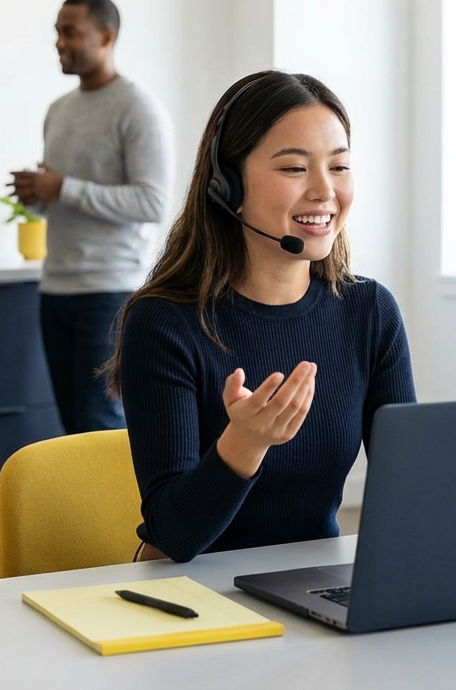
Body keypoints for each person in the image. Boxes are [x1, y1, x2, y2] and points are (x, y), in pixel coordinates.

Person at [103, 70, 416, 563]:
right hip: (194, 598)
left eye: (339, 167)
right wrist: (244, 445)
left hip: (311, 587)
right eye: (294, 169)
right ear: (228, 186)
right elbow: (174, 534)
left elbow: (409, 490)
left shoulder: (370, 311)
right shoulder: (164, 323)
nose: (323, 191)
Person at [11, 0, 171, 435]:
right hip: (55, 287)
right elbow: (66, 199)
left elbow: (151, 203)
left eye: (70, 32)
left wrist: (62, 187)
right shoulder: (58, 111)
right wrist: (39, 195)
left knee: (100, 428)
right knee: (71, 430)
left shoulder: (138, 109)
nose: (59, 43)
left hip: (109, 292)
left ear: (107, 37)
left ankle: (116, 509)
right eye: (57, 33)